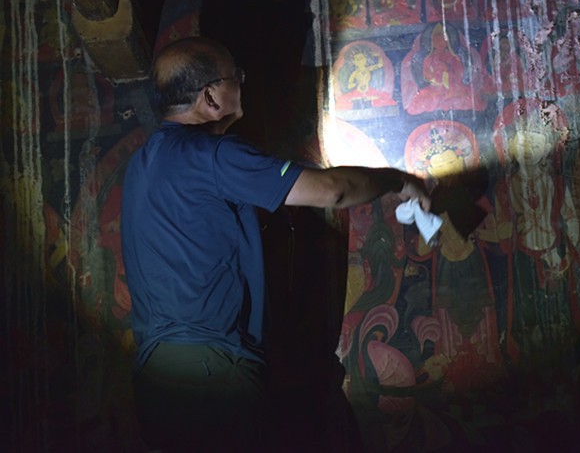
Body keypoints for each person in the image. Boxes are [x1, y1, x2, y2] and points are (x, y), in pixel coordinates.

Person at [120, 35, 431, 451]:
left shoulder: (142, 163)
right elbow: (332, 190)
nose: (242, 84)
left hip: (156, 376)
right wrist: (399, 180)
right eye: (236, 76)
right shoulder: (212, 154)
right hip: (211, 368)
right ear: (210, 96)